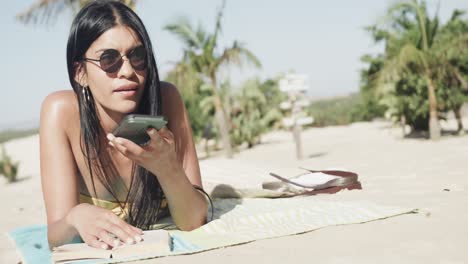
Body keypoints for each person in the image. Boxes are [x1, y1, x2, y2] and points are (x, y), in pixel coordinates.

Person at [39, 0, 209, 250]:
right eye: (109, 60)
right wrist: (75, 218)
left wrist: (167, 169)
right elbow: (55, 235)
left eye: (137, 56)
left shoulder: (166, 100)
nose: (128, 70)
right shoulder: (61, 112)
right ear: (80, 73)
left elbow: (194, 221)